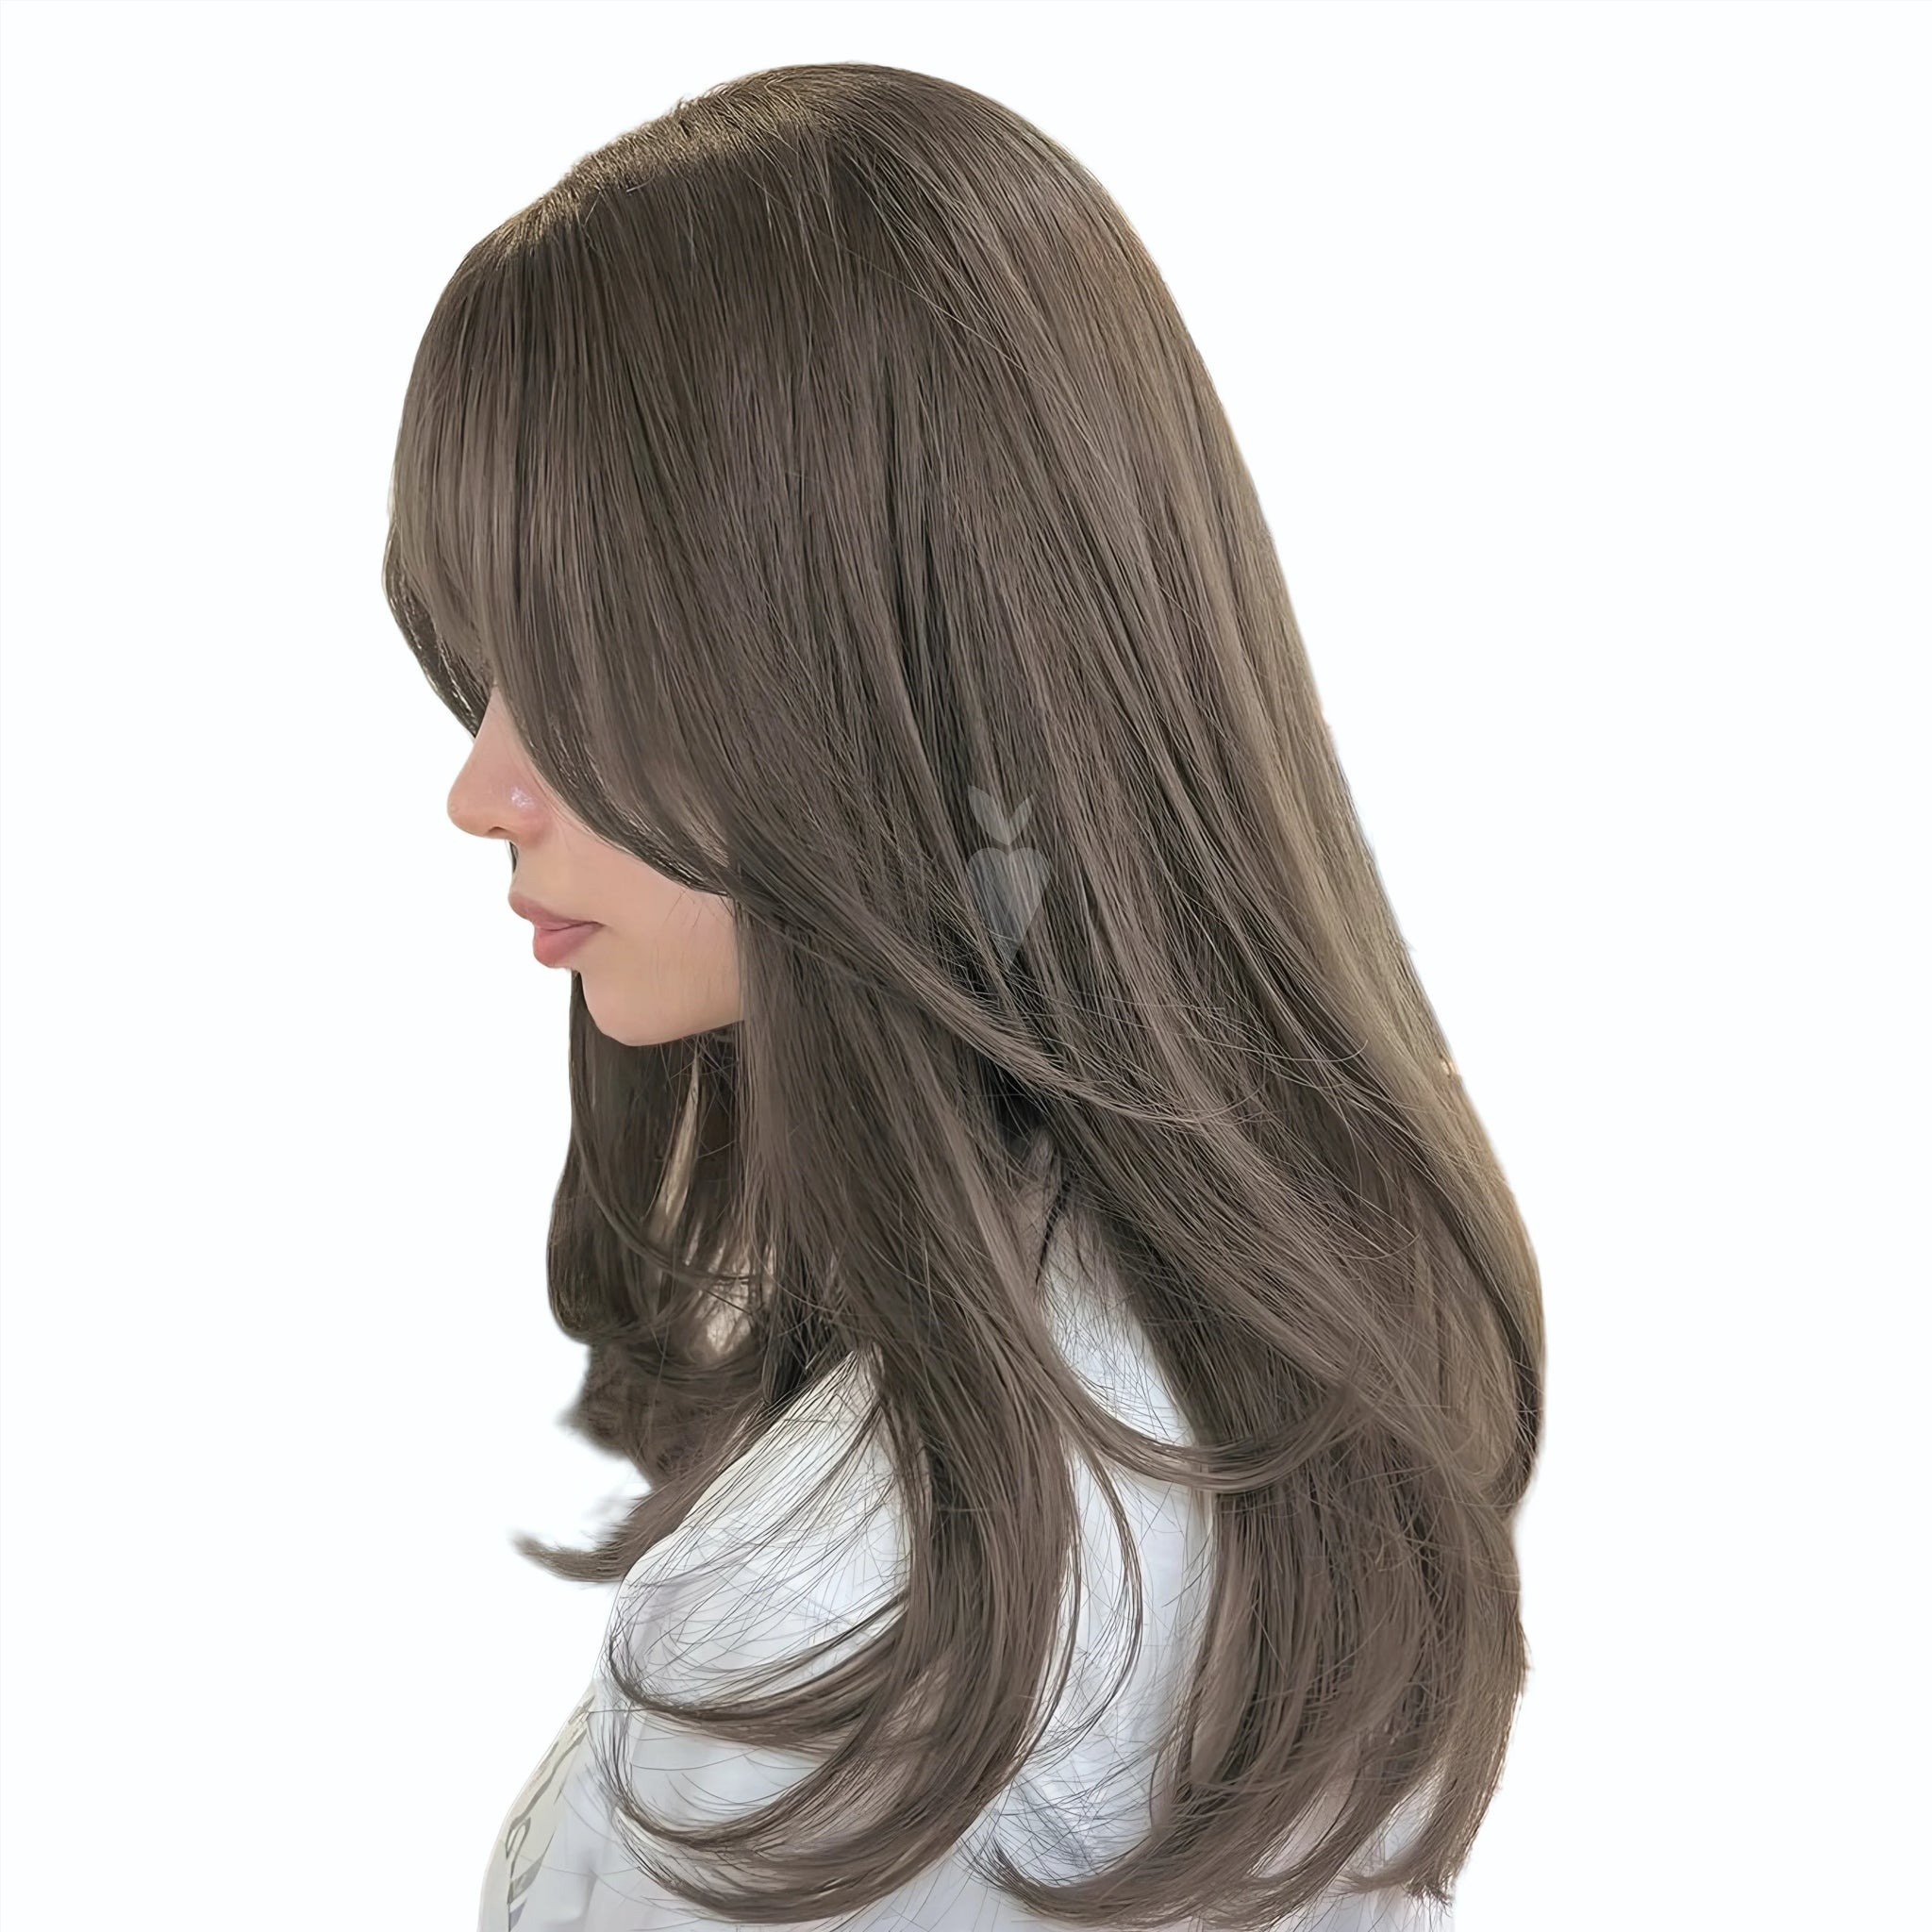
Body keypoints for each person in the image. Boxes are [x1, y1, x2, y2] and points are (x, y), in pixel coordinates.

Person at [383, 60, 1541, 1932]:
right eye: (483, 666)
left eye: (573, 656)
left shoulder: (823, 1658)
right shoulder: (1286, 1372)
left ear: (862, 674)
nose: (479, 787)